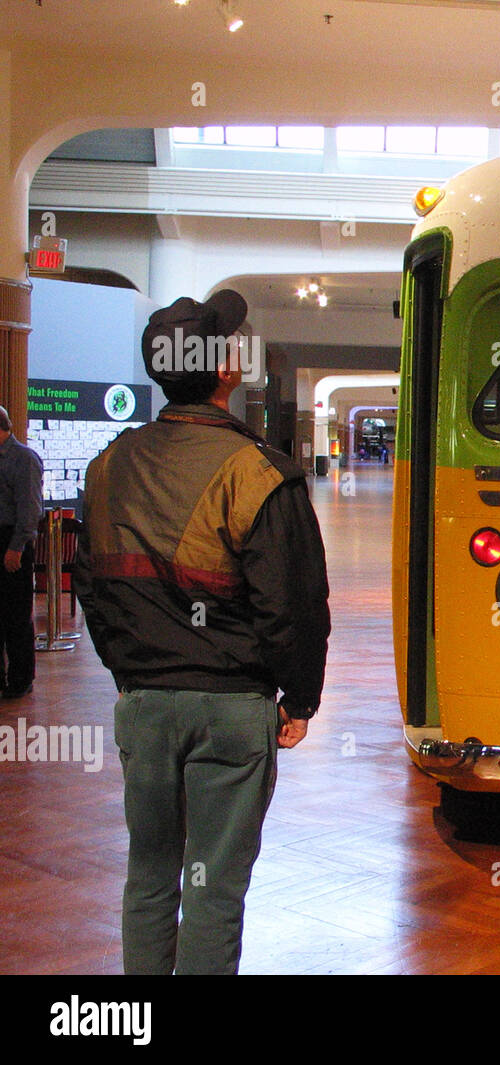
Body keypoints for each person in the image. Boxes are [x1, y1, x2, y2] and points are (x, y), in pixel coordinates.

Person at [72, 289, 330, 975]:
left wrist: (130, 670)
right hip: (232, 706)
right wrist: (299, 697)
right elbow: (294, 601)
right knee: (212, 888)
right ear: (224, 370)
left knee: (149, 877)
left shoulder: (107, 467)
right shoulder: (258, 472)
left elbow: (90, 585)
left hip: (146, 704)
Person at [0, 404, 44, 699]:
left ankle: (20, 679)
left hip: (9, 539)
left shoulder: (23, 458)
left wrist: (16, 547)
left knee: (15, 616)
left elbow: (29, 509)